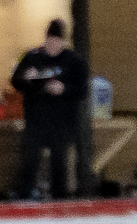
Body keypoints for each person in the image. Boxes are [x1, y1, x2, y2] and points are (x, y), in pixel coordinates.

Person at [8, 19, 90, 201]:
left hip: (61, 122)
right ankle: (23, 196)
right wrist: (26, 78)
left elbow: (82, 91)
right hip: (36, 120)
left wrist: (64, 89)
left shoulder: (74, 62)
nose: (52, 46)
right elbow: (15, 82)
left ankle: (59, 200)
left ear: (64, 42)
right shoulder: (32, 57)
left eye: (56, 42)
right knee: (29, 159)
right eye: (49, 41)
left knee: (59, 163)